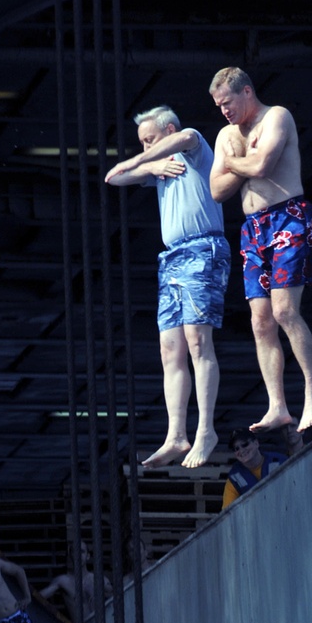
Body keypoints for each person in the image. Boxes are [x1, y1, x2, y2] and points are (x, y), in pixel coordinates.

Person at [105, 106, 229, 468]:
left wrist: (152, 158)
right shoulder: (160, 168)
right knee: (169, 349)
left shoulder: (193, 149)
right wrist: (150, 166)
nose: (146, 146)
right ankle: (176, 434)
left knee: (197, 341)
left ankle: (205, 429)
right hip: (171, 259)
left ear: (167, 130)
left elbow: (188, 135)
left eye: (150, 139)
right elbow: (113, 177)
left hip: (201, 249)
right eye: (142, 142)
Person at [207, 67, 312, 435]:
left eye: (227, 103)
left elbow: (262, 164)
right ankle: (278, 404)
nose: (224, 112)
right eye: (218, 106)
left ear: (246, 92)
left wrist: (233, 162)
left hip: (288, 216)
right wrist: (239, 165)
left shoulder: (277, 116)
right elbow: (216, 190)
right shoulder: (227, 134)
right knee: (260, 321)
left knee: (284, 309)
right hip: (253, 229)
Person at [40, 540, 111, 623]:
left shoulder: (100, 580)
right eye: (75, 552)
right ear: (71, 556)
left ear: (88, 556)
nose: (78, 555)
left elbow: (117, 600)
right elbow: (38, 598)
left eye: (82, 552)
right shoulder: (63, 581)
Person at [220, 429, 286, 510]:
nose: (241, 450)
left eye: (245, 444)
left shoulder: (281, 461)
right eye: (236, 449)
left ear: (256, 443)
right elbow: (227, 514)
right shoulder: (234, 479)